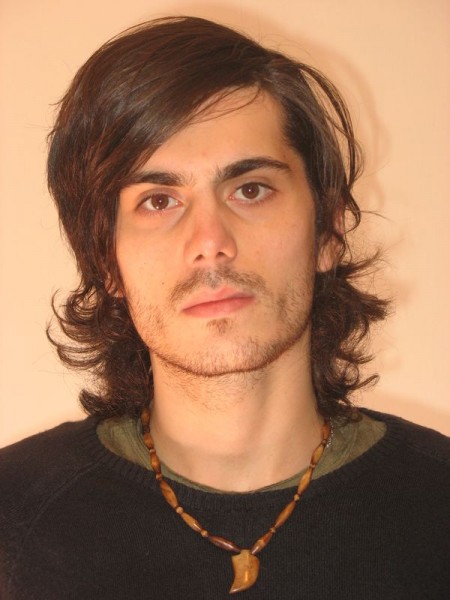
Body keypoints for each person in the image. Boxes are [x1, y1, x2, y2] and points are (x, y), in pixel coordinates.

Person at [0, 16, 448, 600]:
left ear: (329, 230)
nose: (210, 242)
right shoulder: (14, 522)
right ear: (106, 261)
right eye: (158, 201)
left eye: (250, 189)